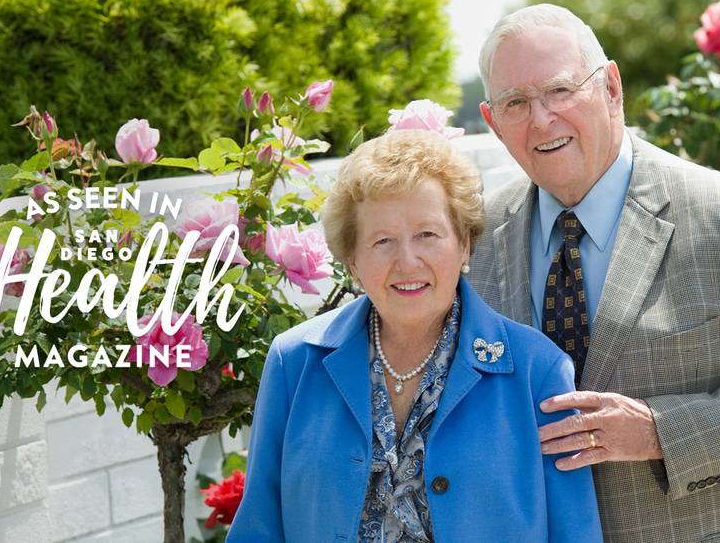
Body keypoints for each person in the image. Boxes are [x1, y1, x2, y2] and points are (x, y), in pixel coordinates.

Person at [468, 3, 720, 543]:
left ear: (611, 88)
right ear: (494, 122)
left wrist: (659, 433)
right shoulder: (476, 238)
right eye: (516, 102)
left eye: (561, 90)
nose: (542, 118)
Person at [227, 129, 603, 542]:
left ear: (464, 244)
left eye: (427, 234)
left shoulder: (537, 371)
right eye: (382, 240)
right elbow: (258, 526)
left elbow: (575, 532)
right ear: (352, 261)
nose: (407, 261)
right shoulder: (293, 363)